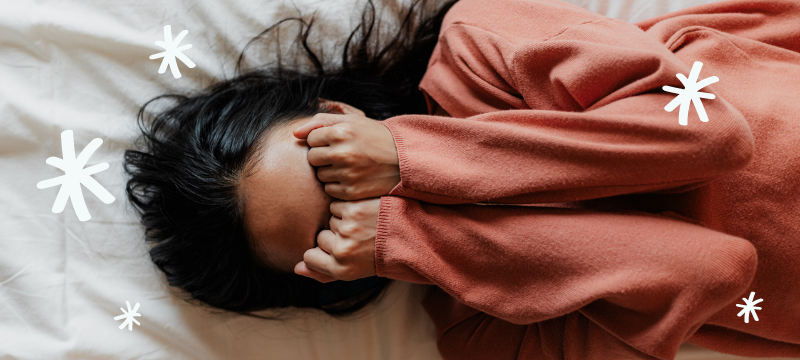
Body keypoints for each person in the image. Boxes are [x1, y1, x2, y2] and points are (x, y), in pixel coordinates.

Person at [124, 0, 800, 359]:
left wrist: (412, 155)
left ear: (335, 112)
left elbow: (709, 133)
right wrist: (421, 235)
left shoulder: (479, 48)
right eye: (336, 224)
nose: (364, 196)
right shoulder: (490, 337)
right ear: (335, 272)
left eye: (329, 165)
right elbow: (712, 267)